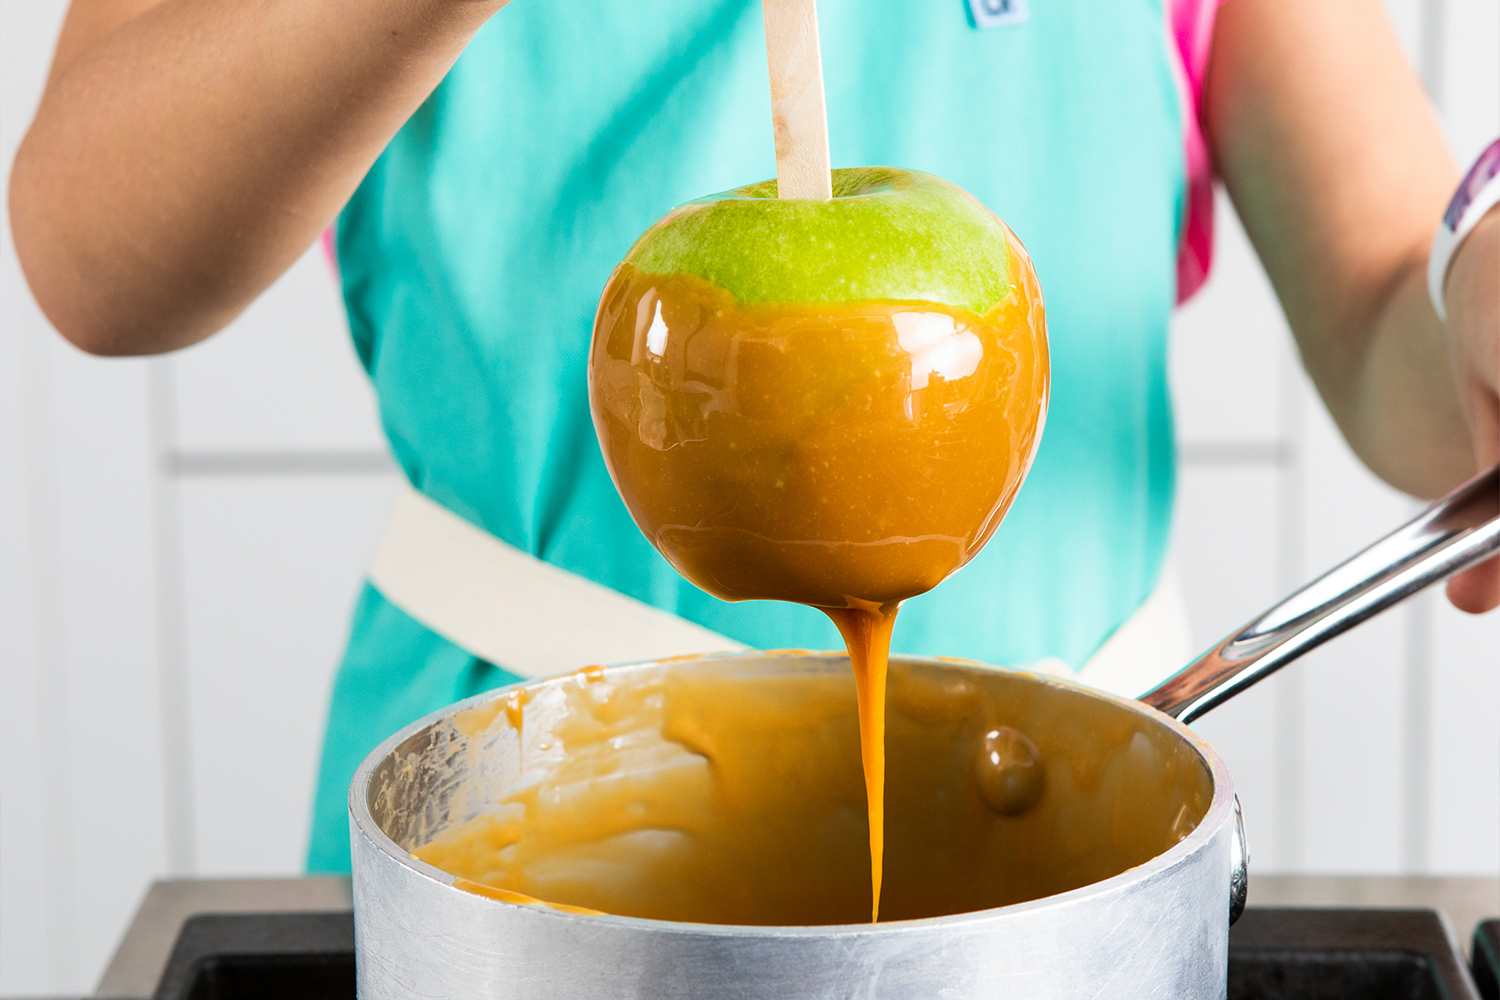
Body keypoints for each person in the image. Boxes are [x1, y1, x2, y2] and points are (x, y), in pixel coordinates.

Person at [10, 0, 1498, 874]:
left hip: (1057, 863)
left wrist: (1480, 302)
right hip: (503, 851)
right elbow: (90, 253)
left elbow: (1390, 322)